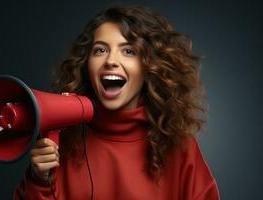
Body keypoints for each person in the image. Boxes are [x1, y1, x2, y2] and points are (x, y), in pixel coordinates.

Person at [13, 4, 220, 200]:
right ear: (87, 66)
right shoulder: (64, 141)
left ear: (150, 66)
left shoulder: (178, 144)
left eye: (129, 51)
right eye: (100, 50)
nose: (110, 60)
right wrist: (39, 179)